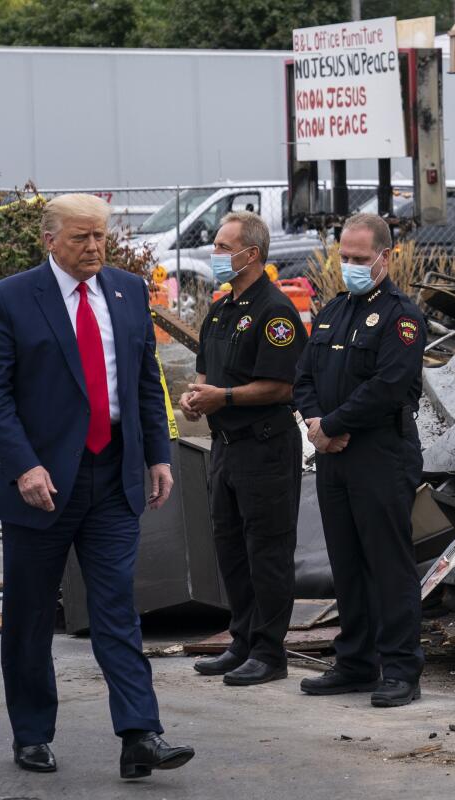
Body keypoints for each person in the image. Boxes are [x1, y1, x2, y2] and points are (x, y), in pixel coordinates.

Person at [0, 194, 194, 779]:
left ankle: (140, 734)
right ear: (50, 240)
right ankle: (31, 734)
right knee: (30, 615)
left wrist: (158, 455)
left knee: (118, 607)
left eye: (99, 236)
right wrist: (24, 466)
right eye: (80, 238)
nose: (94, 247)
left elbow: (146, 381)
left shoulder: (125, 292)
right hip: (40, 485)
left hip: (112, 476)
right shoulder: (11, 301)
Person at [294, 213, 426, 708]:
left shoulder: (401, 316)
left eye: (358, 259)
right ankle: (355, 663)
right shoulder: (332, 311)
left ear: (383, 258)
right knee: (346, 563)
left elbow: (389, 387)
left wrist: (334, 425)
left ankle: (400, 669)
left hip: (380, 455)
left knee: (388, 565)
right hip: (332, 455)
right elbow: (304, 376)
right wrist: (315, 423)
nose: (348, 266)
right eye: (343, 257)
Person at [180, 210, 305, 687]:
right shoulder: (221, 308)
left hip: (266, 447)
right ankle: (243, 640)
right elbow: (206, 374)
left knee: (267, 551)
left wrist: (224, 398)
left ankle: (270, 652)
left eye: (220, 247)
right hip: (226, 447)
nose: (214, 255)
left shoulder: (275, 312)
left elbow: (280, 386)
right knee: (230, 547)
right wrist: (197, 397)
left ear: (250, 254)